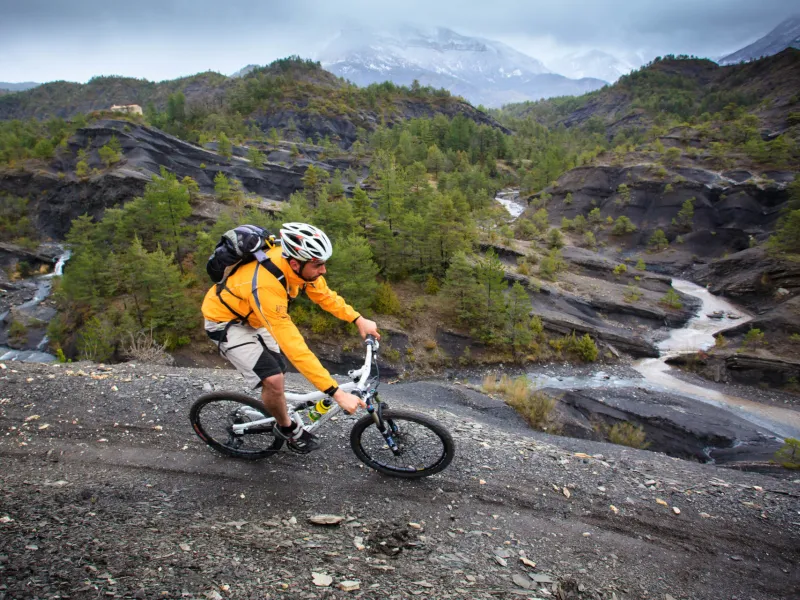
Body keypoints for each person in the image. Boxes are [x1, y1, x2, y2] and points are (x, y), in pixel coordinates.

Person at [201, 222, 380, 453]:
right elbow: (294, 346)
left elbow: (325, 296)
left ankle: (276, 408)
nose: (323, 270)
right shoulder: (265, 285)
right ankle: (287, 428)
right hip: (227, 324)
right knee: (274, 379)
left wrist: (358, 319)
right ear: (295, 263)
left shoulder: (300, 267)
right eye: (319, 265)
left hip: (255, 317)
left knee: (278, 370)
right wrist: (336, 393)